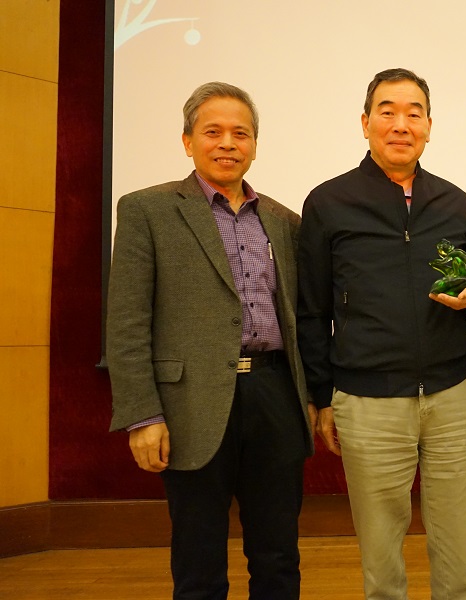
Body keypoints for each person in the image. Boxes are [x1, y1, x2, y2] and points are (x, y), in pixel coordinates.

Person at [107, 82, 316, 599]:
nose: (227, 143)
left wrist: (311, 397)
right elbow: (127, 322)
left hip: (274, 396)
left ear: (254, 145)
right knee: (198, 564)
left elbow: (301, 318)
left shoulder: (284, 221)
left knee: (278, 557)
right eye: (213, 131)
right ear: (187, 141)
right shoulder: (147, 210)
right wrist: (143, 415)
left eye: (240, 133)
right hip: (189, 405)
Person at [296, 68, 466, 600]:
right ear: (365, 123)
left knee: (459, 561)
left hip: (456, 396)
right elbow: (310, 310)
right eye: (388, 112)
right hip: (369, 402)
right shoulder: (328, 201)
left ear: (429, 126)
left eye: (414, 113)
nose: (401, 124)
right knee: (382, 566)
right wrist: (322, 396)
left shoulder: (452, 199)